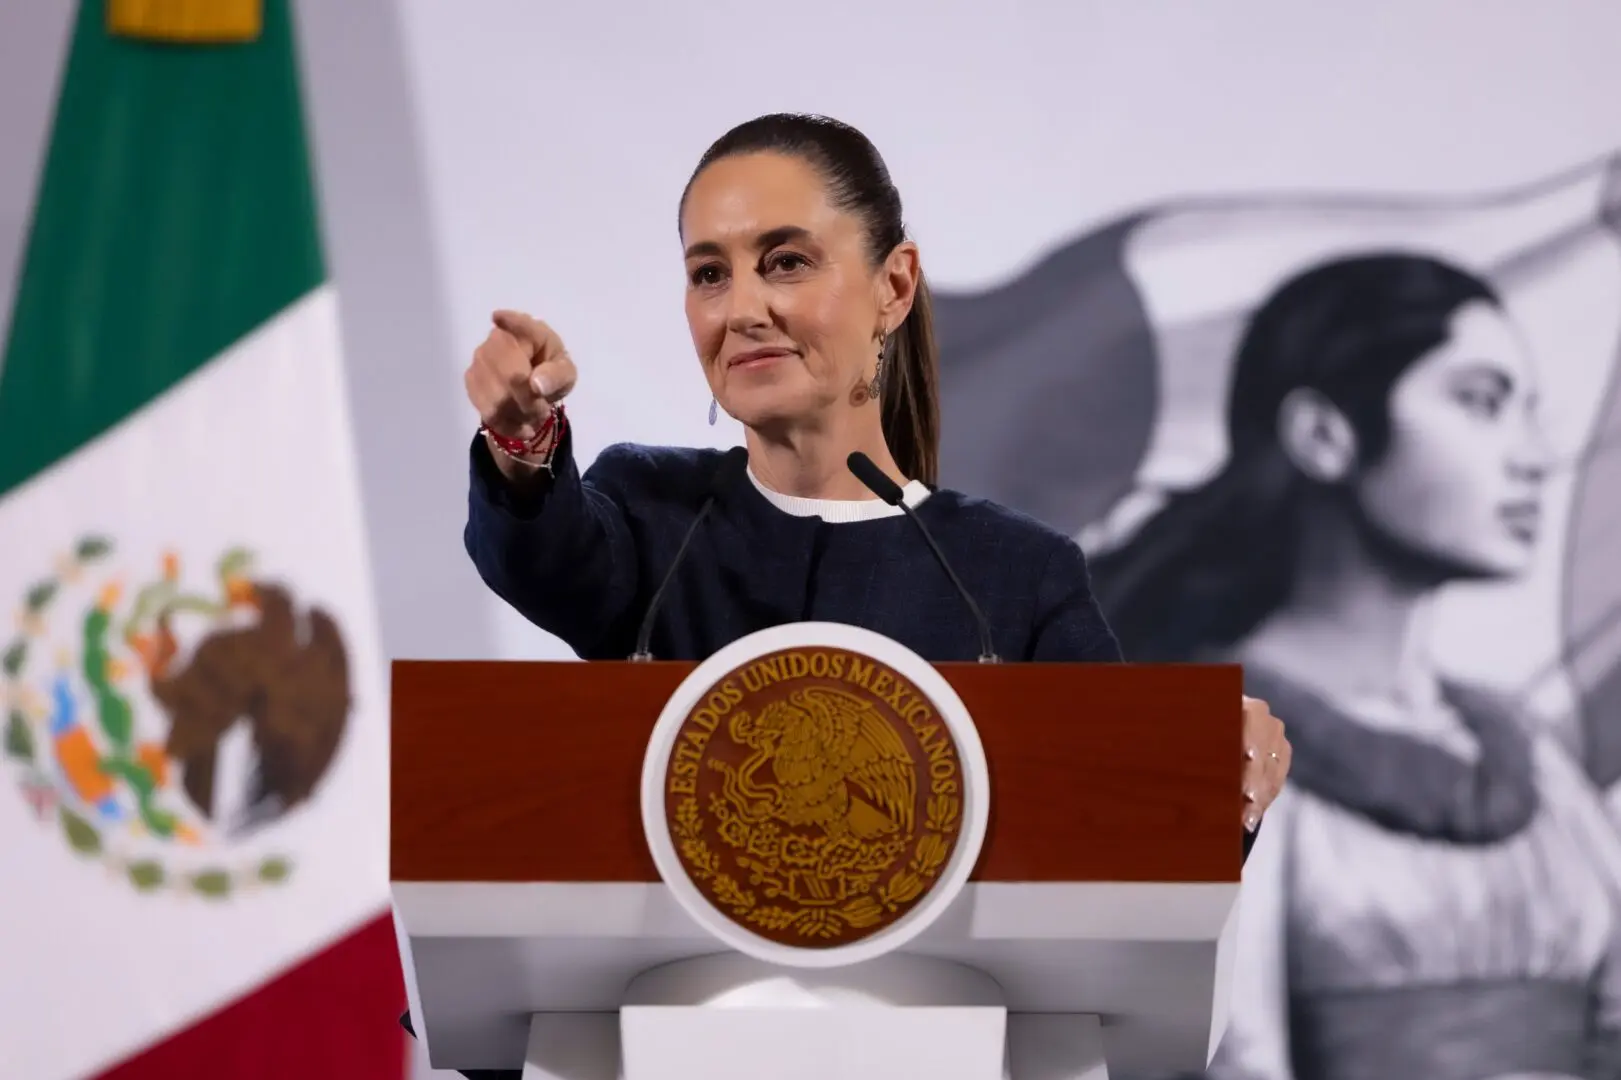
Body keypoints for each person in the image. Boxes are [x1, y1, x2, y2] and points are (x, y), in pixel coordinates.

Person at [460, 112, 1289, 832]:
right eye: (709, 273)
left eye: (785, 261)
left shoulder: (1013, 579)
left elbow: (1123, 836)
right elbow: (540, 555)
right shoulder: (650, 515)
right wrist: (522, 436)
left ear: (893, 286)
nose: (742, 309)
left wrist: (1215, 775)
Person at [1087, 252, 1621, 1078]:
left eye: (1527, 412)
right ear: (1323, 434)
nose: (1530, 456)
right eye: (1480, 403)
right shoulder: (1190, 752)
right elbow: (1221, 1062)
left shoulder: (1529, 757)